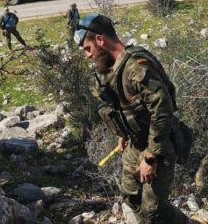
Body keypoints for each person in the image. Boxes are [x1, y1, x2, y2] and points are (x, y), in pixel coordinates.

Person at [74, 13, 196, 224]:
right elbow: (121, 105)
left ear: (100, 40)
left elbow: (163, 111)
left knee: (153, 214)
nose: (87, 55)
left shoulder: (137, 68)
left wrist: (150, 157)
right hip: (134, 143)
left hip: (158, 145)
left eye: (88, 48)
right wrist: (122, 133)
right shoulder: (110, 67)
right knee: (131, 197)